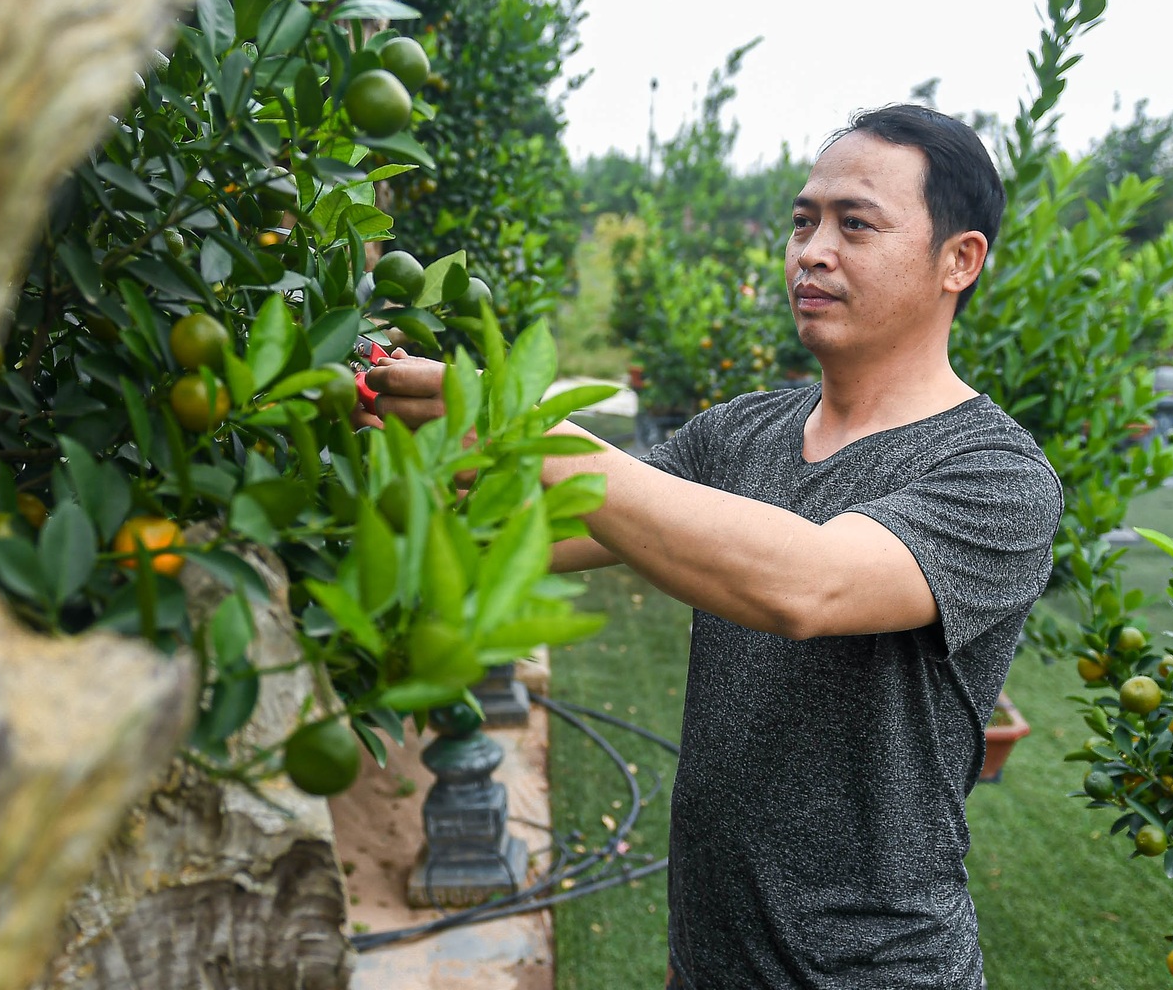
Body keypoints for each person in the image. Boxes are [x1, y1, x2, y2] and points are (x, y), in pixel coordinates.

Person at [360, 104, 1062, 989]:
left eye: (856, 224)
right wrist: (409, 450)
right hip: (707, 958)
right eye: (803, 222)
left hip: (874, 970)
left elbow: (809, 586)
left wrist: (528, 428)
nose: (812, 250)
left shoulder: (996, 476)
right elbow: (542, 530)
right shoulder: (745, 434)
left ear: (959, 260)